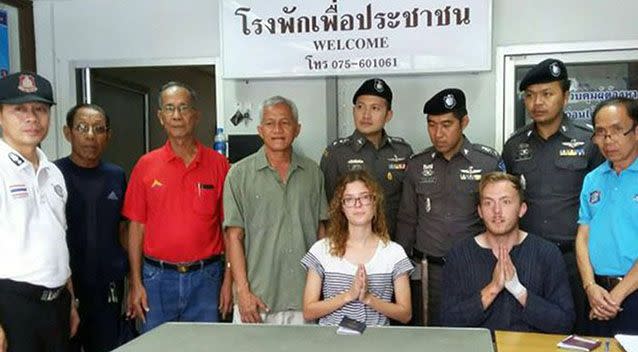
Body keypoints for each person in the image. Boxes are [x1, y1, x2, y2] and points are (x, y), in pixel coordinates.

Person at [501, 58, 603, 333]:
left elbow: (601, 207)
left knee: (577, 331)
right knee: (528, 330)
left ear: (566, 96)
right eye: (531, 95)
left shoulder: (589, 142)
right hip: (527, 257)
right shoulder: (514, 146)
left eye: (547, 94)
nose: (537, 102)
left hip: (574, 259)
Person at [123, 82, 231, 333]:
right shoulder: (146, 165)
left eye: (183, 108)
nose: (177, 115)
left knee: (206, 347)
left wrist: (229, 281)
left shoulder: (219, 165)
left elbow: (230, 229)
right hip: (156, 279)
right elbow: (136, 227)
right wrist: (136, 283)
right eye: (169, 109)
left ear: (195, 115)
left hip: (207, 278)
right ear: (161, 117)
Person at [396, 88, 502, 325]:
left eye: (446, 125)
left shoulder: (487, 162)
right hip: (428, 272)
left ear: (464, 122)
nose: (438, 134)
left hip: (475, 268)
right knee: (430, 334)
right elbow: (407, 220)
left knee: (472, 331)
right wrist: (400, 271)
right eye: (432, 125)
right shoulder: (417, 164)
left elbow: (502, 219)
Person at [224, 95, 328, 324]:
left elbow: (322, 234)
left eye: (285, 122)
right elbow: (234, 237)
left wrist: (324, 288)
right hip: (257, 300)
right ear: (260, 130)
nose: (278, 130)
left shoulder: (312, 173)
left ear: (297, 129)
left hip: (305, 298)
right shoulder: (238, 175)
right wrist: (242, 291)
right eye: (270, 123)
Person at [0, 72, 80, 351]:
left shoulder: (53, 172)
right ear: (0, 116)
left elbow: (58, 238)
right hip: (13, 305)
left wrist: (70, 300)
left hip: (56, 304)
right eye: (18, 109)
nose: (31, 118)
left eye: (40, 109)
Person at [441, 172, 575, 333]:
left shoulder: (547, 254)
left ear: (521, 209)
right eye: (488, 203)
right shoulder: (459, 255)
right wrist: (492, 289)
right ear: (480, 211)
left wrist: (519, 291)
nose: (497, 211)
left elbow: (564, 323)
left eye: (506, 202)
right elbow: (446, 322)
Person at [55, 103, 133, 352]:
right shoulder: (53, 174)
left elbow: (125, 230)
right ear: (68, 133)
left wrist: (133, 280)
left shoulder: (116, 175)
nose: (90, 135)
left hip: (108, 287)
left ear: (108, 136)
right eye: (82, 127)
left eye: (99, 129)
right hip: (66, 288)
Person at [301, 170, 413, 326]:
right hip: (332, 343)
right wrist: (349, 295)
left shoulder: (394, 252)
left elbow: (405, 314)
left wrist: (368, 298)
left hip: (378, 343)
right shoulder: (321, 250)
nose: (357, 204)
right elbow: (308, 311)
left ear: (375, 202)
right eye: (349, 199)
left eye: (364, 197)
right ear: (341, 207)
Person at [576, 97, 638, 336]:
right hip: (597, 294)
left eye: (617, 130)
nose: (608, 140)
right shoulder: (593, 179)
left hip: (630, 296)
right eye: (600, 133)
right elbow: (583, 236)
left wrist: (616, 296)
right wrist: (590, 286)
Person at [320, 78, 412, 238]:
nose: (366, 115)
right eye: (360, 107)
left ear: (388, 115)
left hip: (393, 247)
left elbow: (409, 208)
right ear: (353, 110)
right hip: (350, 248)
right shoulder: (337, 153)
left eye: (375, 108)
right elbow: (329, 210)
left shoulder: (402, 152)